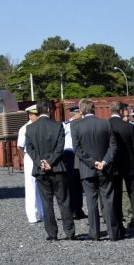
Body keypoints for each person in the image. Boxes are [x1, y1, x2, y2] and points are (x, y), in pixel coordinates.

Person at [23, 100, 76, 241]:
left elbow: (29, 149)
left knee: (47, 203)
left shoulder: (30, 129)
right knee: (63, 201)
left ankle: (52, 234)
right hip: (58, 168)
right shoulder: (58, 126)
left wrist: (40, 162)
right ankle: (70, 232)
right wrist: (50, 162)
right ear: (48, 110)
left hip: (40, 171)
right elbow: (60, 148)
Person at [70, 98, 116, 240]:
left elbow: (77, 149)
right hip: (105, 168)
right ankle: (113, 233)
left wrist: (92, 162)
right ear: (93, 109)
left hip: (87, 168)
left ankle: (94, 233)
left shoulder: (76, 125)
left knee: (91, 201)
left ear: (81, 110)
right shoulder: (105, 123)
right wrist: (104, 161)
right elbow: (113, 146)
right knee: (108, 200)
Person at [107, 102, 134, 239]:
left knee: (116, 197)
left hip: (114, 167)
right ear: (122, 111)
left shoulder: (107, 125)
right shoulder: (130, 127)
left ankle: (120, 229)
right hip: (129, 165)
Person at [16, 105, 43, 224]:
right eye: (35, 115)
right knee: (31, 186)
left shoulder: (42, 126)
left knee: (43, 186)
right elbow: (20, 147)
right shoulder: (24, 129)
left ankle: (42, 213)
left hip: (42, 157)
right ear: (30, 115)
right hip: (30, 158)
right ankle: (32, 214)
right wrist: (24, 159)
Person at [63, 105, 86, 219]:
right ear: (75, 113)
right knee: (72, 183)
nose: (82, 115)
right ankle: (73, 209)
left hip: (79, 154)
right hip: (70, 155)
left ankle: (79, 208)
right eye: (80, 113)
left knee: (80, 182)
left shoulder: (81, 124)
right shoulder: (66, 125)